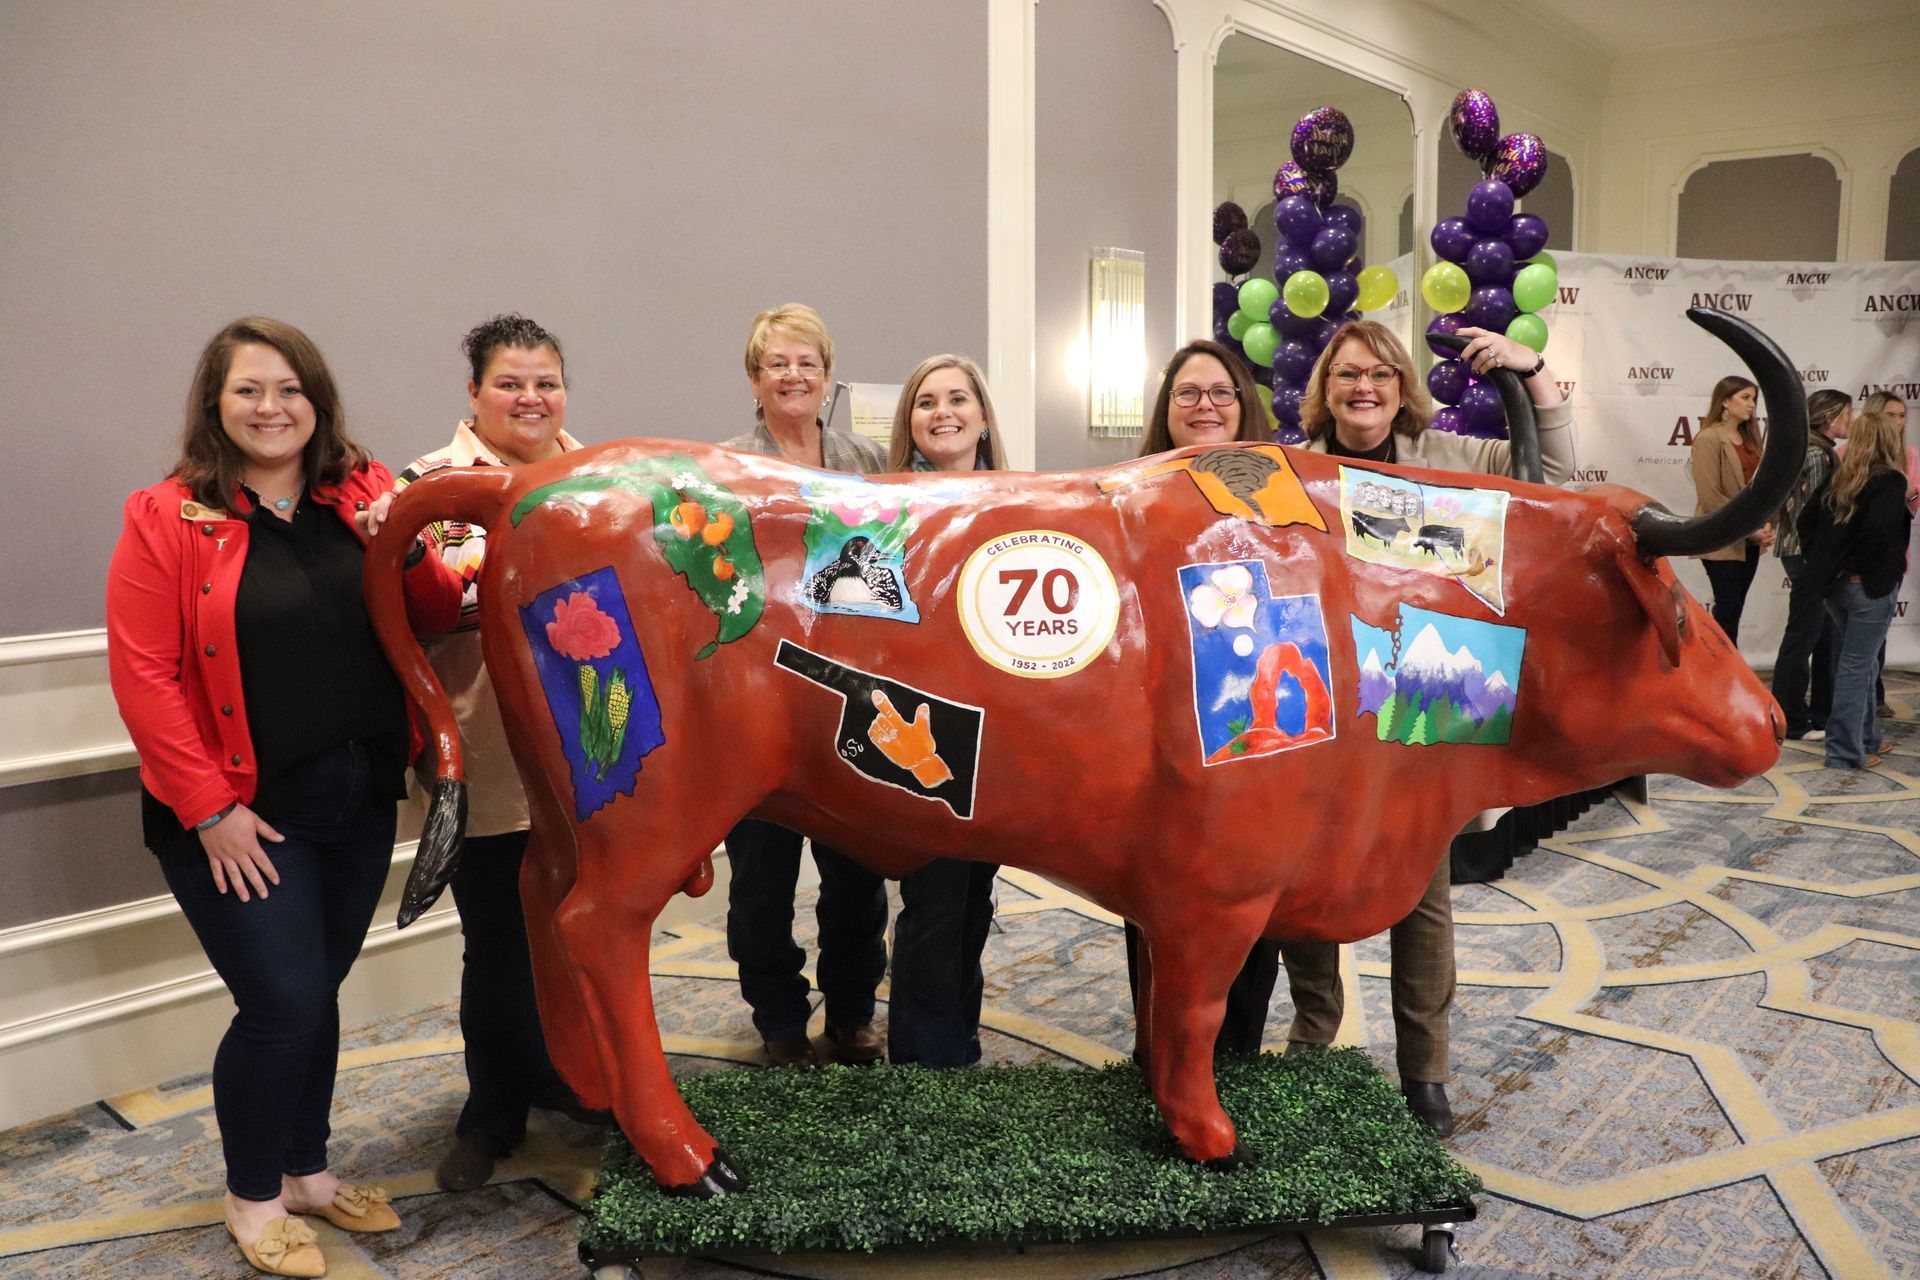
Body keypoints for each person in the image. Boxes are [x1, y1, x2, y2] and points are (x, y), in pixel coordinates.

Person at [107, 318, 462, 1278]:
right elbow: (145, 677)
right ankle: (253, 1194)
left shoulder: (363, 491)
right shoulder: (165, 516)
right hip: (240, 820)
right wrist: (210, 810)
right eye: (249, 391)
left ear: (318, 400)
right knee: (282, 1003)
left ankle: (306, 1170)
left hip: (356, 799)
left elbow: (429, 611)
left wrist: (410, 542)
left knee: (317, 994)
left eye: (290, 390)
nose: (272, 409)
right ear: (216, 406)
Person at [1285, 319, 1576, 1137]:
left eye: (1379, 373)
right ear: (1325, 389)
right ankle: (1314, 1037)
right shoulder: (1292, 468)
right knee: (1303, 880)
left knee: (1423, 894)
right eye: (1346, 375)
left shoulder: (1450, 457)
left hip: (1425, 699)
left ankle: (1426, 1072)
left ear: (1402, 384)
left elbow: (1552, 475)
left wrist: (1536, 372)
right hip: (1324, 705)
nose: (1363, 387)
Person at [370, 315, 596, 1193]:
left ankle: (574, 1079)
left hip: (594, 762)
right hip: (488, 763)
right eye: (509, 383)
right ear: (473, 393)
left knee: (583, 934)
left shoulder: (601, 481)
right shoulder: (423, 490)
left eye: (545, 382)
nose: (529, 399)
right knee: (498, 943)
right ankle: (491, 1113)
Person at [721, 304, 891, 1068]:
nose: (793, 376)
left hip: (849, 697)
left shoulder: (869, 460)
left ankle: (853, 1011)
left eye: (807, 364)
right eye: (777, 364)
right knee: (760, 882)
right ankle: (779, 1017)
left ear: (828, 377)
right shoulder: (723, 469)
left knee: (856, 879)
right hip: (757, 705)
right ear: (754, 379)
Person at [1121, 339, 1275, 1059]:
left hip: (1259, 732)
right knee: (1156, 897)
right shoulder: (1127, 490)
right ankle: (1161, 1056)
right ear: (1166, 409)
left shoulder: (1283, 493)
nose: (1205, 405)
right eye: (1187, 393)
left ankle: (1236, 1056)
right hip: (1160, 734)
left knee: (1253, 896)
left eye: (1220, 392)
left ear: (1244, 403)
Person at [881, 355, 1008, 1067]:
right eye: (926, 402)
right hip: (923, 720)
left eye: (958, 399)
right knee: (932, 899)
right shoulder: (889, 508)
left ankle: (959, 1037)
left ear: (983, 415)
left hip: (999, 732)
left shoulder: (1020, 498)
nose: (943, 412)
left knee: (975, 896)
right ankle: (926, 1060)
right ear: (910, 425)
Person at [1800, 407, 1912, 770]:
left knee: (1856, 666)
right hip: (1867, 588)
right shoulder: (1890, 481)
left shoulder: (1839, 478)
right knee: (1856, 666)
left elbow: (1806, 523)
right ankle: (1845, 752)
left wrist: (1831, 564)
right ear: (1888, 441)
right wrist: (1864, 572)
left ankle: (1865, 739)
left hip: (1836, 588)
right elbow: (1878, 534)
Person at [1770, 390, 1851, 740]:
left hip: (1806, 551)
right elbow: (1813, 513)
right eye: (1847, 414)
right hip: (1808, 553)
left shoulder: (1813, 449)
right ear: (1829, 417)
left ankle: (1819, 715)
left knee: (1821, 634)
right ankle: (1792, 719)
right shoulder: (1818, 454)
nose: (1852, 421)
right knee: (1804, 635)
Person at [1690, 376, 1775, 645]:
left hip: (1750, 538)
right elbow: (1710, 495)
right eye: (1745, 398)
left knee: (1734, 611)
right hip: (1722, 538)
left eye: (1753, 399)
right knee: (1728, 609)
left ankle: (1726, 672)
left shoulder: (1751, 438)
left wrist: (1767, 524)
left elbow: (1762, 488)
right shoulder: (1709, 438)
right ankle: (1719, 673)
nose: (1751, 405)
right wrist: (1750, 530)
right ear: (1725, 401)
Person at [1858, 391, 1914, 718]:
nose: (1898, 422)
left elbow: (1912, 503)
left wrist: (1907, 494)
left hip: (1892, 559)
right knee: (1857, 650)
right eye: (1891, 415)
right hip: (1864, 565)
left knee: (1875, 639)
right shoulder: (1846, 455)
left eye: (1903, 415)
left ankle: (1874, 702)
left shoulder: (1910, 456)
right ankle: (1857, 728)